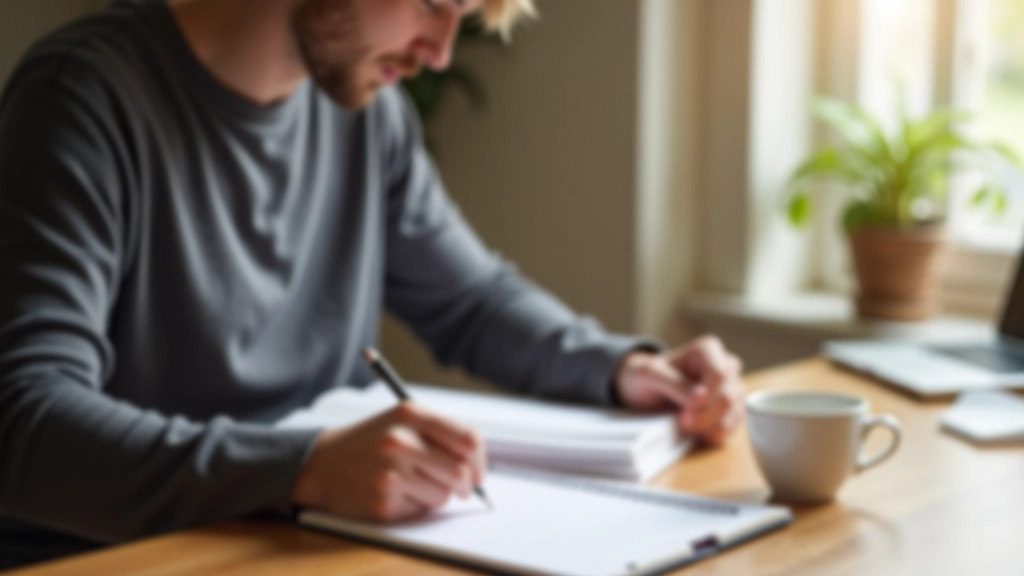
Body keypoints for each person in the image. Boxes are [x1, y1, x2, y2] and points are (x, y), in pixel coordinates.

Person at [0, 0, 745, 568]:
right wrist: (304, 469)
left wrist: (625, 369)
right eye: (435, 2)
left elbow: (471, 300)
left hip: (290, 542)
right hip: (108, 557)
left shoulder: (368, 117)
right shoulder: (83, 99)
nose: (443, 54)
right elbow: (25, 423)